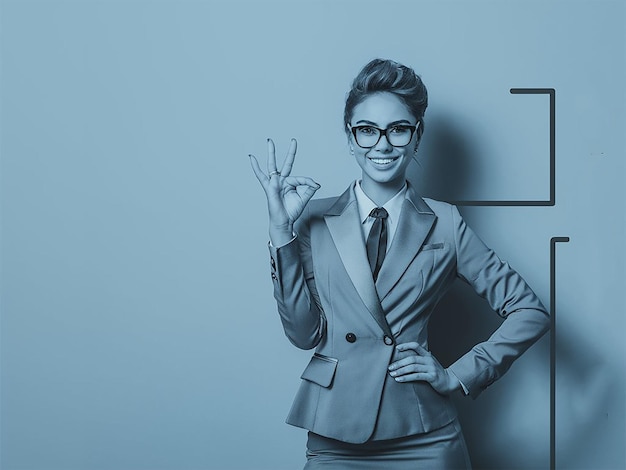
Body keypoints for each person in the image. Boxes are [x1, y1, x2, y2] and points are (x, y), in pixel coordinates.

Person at [249, 58, 549, 469]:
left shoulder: (446, 223)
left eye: (398, 129)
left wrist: (459, 374)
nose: (383, 144)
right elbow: (304, 334)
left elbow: (529, 311)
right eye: (368, 130)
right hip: (335, 430)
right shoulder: (312, 219)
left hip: (422, 431)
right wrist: (282, 231)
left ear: (417, 136)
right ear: (351, 138)